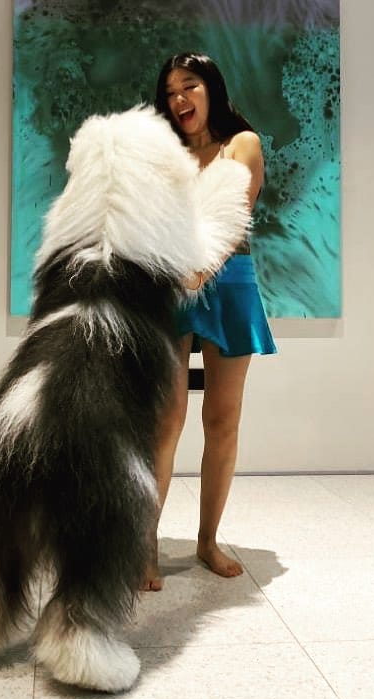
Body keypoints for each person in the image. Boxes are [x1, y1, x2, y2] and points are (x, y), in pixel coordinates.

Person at [143, 52, 277, 591]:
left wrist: (200, 272)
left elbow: (232, 217)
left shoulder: (242, 143)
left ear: (211, 88)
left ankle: (207, 541)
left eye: (189, 85)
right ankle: (144, 546)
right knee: (166, 419)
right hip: (170, 284)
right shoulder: (163, 154)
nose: (179, 98)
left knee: (222, 421)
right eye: (170, 91)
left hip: (229, 280)